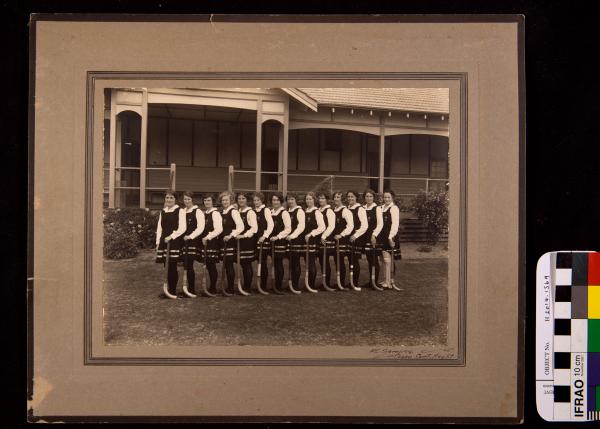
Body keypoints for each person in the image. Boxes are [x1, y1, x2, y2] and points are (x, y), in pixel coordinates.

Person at [155, 190, 186, 298]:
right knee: (166, 266)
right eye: (167, 198)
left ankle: (172, 291)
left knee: (172, 266)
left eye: (171, 198)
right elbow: (159, 228)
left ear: (175, 200)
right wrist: (158, 242)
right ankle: (168, 289)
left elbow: (182, 228)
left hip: (174, 241)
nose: (169, 200)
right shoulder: (163, 211)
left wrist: (171, 236)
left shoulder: (180, 211)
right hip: (164, 241)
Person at [181, 191, 205, 297]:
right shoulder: (182, 211)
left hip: (192, 241)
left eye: (188, 199)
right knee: (185, 265)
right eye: (185, 199)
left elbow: (200, 228)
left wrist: (190, 236)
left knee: (189, 265)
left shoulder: (198, 211)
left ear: (193, 200)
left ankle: (191, 290)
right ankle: (186, 288)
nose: (186, 201)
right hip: (183, 241)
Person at [327, 191, 354, 289]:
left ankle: (341, 283)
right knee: (336, 261)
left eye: (338, 197)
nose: (336, 199)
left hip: (342, 240)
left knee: (340, 261)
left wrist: (341, 235)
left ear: (342, 199)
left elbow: (350, 226)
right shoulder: (333, 210)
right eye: (335, 197)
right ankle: (338, 281)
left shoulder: (345, 211)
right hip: (334, 240)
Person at [219, 191, 244, 295]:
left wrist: (231, 235)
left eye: (226, 200)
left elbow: (241, 227)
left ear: (231, 201)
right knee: (225, 264)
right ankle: (227, 287)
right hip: (223, 242)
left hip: (230, 242)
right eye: (223, 200)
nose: (224, 202)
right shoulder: (222, 212)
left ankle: (230, 288)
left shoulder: (233, 211)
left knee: (229, 265)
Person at [375, 189, 401, 288]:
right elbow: (379, 224)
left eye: (388, 197)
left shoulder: (394, 208)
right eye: (385, 197)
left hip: (390, 236)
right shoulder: (381, 208)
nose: (386, 199)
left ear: (392, 198)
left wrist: (391, 237)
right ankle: (385, 280)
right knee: (382, 259)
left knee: (387, 260)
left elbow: (395, 224)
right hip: (381, 236)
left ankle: (389, 282)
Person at [201, 194, 223, 295]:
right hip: (205, 242)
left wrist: (208, 237)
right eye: (205, 200)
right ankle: (210, 288)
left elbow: (219, 229)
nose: (207, 202)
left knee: (211, 265)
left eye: (209, 200)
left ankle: (213, 288)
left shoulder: (215, 213)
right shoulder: (205, 213)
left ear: (212, 201)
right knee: (208, 266)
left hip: (212, 242)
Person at [236, 192, 258, 293]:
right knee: (243, 264)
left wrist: (244, 235)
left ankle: (247, 287)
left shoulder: (250, 212)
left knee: (247, 264)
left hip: (247, 240)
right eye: (239, 198)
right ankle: (245, 285)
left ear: (247, 200)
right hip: (239, 240)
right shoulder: (238, 211)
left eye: (243, 198)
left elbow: (254, 229)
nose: (241, 200)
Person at [303, 192, 326, 290]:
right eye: (307, 199)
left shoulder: (317, 212)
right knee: (307, 262)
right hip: (304, 240)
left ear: (314, 200)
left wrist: (311, 234)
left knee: (311, 262)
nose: (308, 201)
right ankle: (308, 283)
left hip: (312, 240)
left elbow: (322, 227)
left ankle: (311, 285)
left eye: (310, 199)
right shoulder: (304, 211)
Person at [269, 193, 291, 293]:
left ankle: (278, 286)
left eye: (277, 200)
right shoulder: (270, 212)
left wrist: (278, 237)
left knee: (278, 263)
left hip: (280, 241)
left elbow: (288, 229)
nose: (275, 202)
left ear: (281, 202)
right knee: (274, 263)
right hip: (271, 241)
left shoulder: (284, 213)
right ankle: (274, 285)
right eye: (273, 200)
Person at [253, 192, 274, 292]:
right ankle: (259, 285)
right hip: (255, 239)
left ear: (262, 200)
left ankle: (263, 285)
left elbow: (270, 225)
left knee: (263, 262)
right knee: (259, 262)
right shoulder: (253, 211)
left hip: (263, 240)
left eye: (258, 200)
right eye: (255, 200)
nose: (256, 202)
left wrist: (264, 236)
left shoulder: (266, 210)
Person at [346, 190, 368, 288]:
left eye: (352, 196)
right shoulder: (347, 208)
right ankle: (351, 281)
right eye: (349, 196)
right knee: (350, 260)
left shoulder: (360, 209)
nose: (350, 198)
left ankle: (354, 282)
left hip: (356, 238)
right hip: (347, 237)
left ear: (356, 198)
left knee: (354, 260)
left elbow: (365, 226)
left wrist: (355, 235)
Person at [362, 189, 384, 288]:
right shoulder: (362, 208)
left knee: (374, 259)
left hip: (374, 237)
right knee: (369, 259)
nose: (368, 198)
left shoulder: (377, 208)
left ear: (373, 197)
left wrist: (374, 235)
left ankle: (375, 282)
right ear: (364, 198)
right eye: (367, 196)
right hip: (365, 237)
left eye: (370, 196)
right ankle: (371, 281)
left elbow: (380, 224)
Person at [285, 193, 306, 292]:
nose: (290, 201)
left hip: (296, 239)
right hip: (288, 239)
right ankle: (291, 284)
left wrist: (293, 236)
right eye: (288, 199)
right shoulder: (287, 211)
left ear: (296, 200)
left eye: (292, 199)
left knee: (296, 262)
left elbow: (301, 227)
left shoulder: (299, 211)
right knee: (291, 262)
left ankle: (295, 285)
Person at [317, 192, 336, 290]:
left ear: (327, 200)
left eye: (323, 198)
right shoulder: (319, 210)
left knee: (325, 261)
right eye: (319, 198)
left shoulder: (329, 211)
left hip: (326, 238)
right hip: (320, 238)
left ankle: (326, 283)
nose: (321, 200)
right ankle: (324, 282)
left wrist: (324, 236)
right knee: (321, 261)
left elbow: (331, 226)